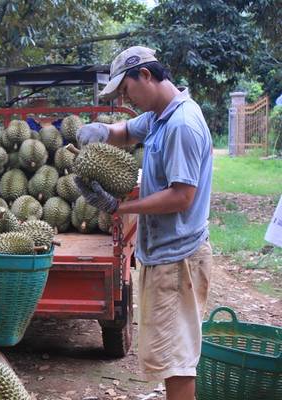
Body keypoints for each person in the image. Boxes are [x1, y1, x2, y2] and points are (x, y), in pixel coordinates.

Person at [76, 46, 213, 400]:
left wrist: (123, 207)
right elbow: (127, 132)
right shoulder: (159, 115)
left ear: (146, 76)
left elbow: (182, 196)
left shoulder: (181, 124)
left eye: (125, 90)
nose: (125, 98)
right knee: (167, 354)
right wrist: (101, 132)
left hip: (178, 259)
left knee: (177, 358)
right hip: (165, 255)